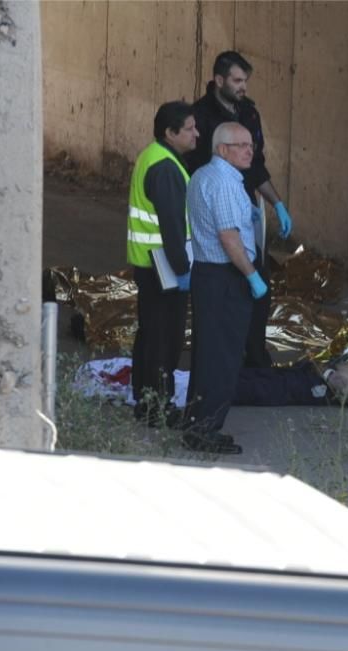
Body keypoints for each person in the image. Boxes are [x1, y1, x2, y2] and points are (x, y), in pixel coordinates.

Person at [188, 50, 293, 370]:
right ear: (219, 80)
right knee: (231, 279)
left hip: (245, 204)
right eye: (237, 80)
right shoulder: (201, 116)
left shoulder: (248, 113)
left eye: (245, 80)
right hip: (216, 202)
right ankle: (222, 356)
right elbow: (198, 168)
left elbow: (255, 164)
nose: (243, 86)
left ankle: (254, 351)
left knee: (257, 281)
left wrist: (277, 203)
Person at [183, 122, 268, 453]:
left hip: (210, 275)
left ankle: (196, 423)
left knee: (208, 353)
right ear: (222, 149)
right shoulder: (223, 183)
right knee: (223, 357)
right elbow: (229, 238)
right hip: (226, 277)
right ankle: (205, 430)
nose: (250, 150)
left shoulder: (207, 176)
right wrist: (251, 275)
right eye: (242, 145)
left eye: (250, 144)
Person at [126, 101, 198, 427]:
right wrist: (183, 268)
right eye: (190, 129)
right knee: (163, 339)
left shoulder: (154, 156)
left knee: (151, 333)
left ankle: (145, 399)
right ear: (170, 133)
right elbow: (172, 225)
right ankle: (157, 405)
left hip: (151, 262)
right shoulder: (166, 168)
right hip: (162, 264)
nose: (197, 134)